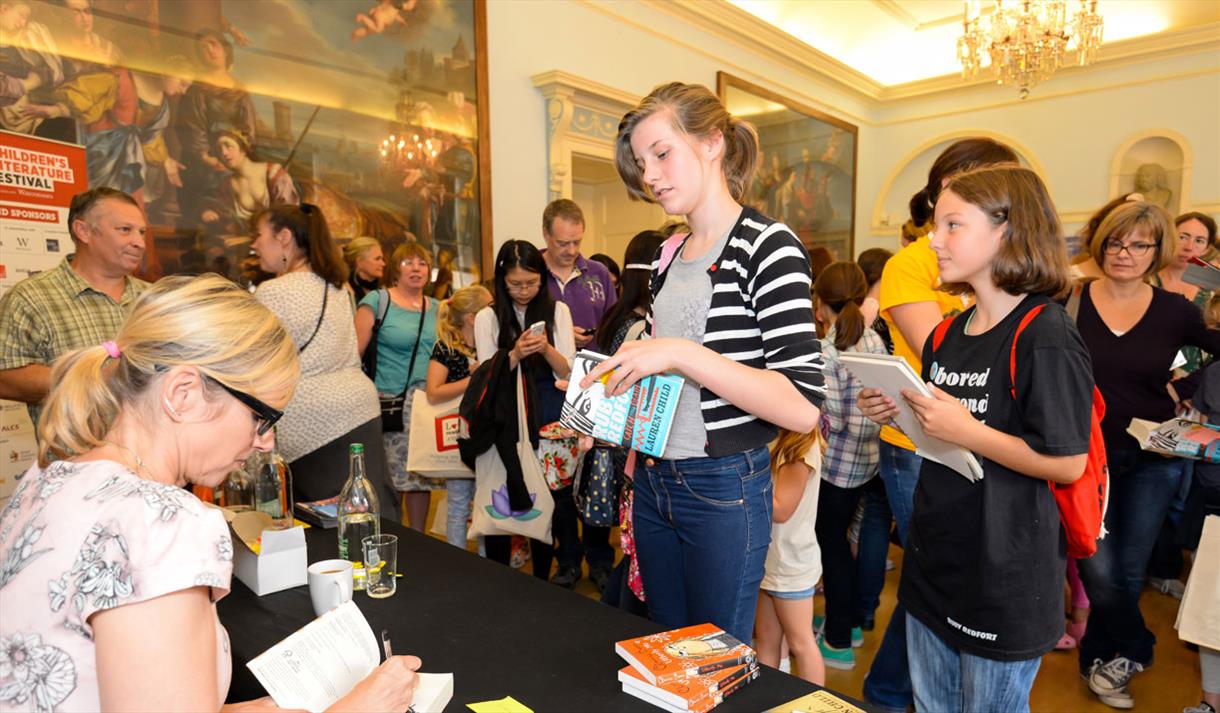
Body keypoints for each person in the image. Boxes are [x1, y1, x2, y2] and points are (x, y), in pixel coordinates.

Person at [0, 274, 421, 712]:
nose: (266, 442)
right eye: (262, 418)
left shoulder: (51, 474)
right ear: (183, 394)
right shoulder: (162, 521)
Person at [583, 82, 824, 645]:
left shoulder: (769, 246)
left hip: (722, 485)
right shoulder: (670, 253)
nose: (651, 175)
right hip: (654, 475)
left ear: (712, 142)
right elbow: (673, 379)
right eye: (643, 163)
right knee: (668, 651)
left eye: (662, 153)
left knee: (714, 660)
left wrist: (680, 352)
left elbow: (802, 405)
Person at [858, 165, 1094, 712]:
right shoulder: (947, 332)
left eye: (952, 226)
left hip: (1004, 573)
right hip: (936, 561)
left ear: (1006, 232)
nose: (933, 242)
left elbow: (1067, 462)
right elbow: (945, 439)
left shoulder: (1046, 334)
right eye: (934, 227)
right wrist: (899, 410)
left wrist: (970, 429)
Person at [865, 137, 1017, 713]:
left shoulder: (995, 269)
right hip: (919, 441)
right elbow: (948, 360)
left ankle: (892, 692)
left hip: (973, 437)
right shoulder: (914, 264)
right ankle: (887, 694)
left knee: (942, 581)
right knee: (932, 580)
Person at [1071, 201, 1220, 709]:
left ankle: (1099, 661)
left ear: (1156, 251)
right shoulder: (1069, 301)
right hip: (1086, 458)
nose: (1124, 253)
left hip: (1153, 456)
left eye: (1138, 244)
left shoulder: (1175, 310)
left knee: (1129, 572)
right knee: (1096, 563)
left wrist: (1191, 390)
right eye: (1115, 241)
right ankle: (1138, 646)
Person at [250, 203, 395, 516]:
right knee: (370, 509)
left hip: (313, 423)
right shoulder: (339, 288)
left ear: (284, 237)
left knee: (329, 524)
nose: (255, 244)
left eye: (259, 235)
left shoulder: (273, 291)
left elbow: (260, 367)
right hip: (359, 407)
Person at [0, 187, 149, 426]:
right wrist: (92, 378)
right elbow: (5, 377)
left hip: (158, 459)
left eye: (141, 232)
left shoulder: (154, 298)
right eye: (125, 230)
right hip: (77, 460)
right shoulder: (31, 297)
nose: (139, 243)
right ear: (84, 231)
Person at [475, 239, 575, 577]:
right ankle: (499, 576)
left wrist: (545, 349)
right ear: (501, 281)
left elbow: (569, 372)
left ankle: (545, 577)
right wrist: (515, 354)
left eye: (531, 283)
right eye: (515, 284)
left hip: (547, 413)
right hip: (503, 417)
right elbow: (486, 376)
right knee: (502, 490)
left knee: (549, 497)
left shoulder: (558, 311)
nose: (524, 291)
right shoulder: (487, 317)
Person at [809, 262, 887, 671]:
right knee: (847, 543)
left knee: (831, 546)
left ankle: (837, 640)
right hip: (870, 463)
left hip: (836, 467)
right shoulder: (873, 339)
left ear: (820, 304)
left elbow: (833, 421)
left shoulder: (826, 351)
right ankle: (852, 622)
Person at [539, 199, 618, 589]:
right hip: (550, 387)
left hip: (594, 387)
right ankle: (566, 558)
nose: (571, 250)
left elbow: (615, 327)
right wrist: (561, 332)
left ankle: (601, 558)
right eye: (563, 242)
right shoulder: (532, 272)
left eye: (576, 242)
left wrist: (595, 337)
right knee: (559, 478)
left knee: (597, 473)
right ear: (546, 237)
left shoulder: (598, 274)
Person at [593, 229, 665, 615]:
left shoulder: (618, 317)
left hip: (624, 444)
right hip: (633, 445)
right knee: (637, 546)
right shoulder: (640, 328)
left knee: (632, 545)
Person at [356, 242, 440, 532]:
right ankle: (390, 536)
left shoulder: (437, 309)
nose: (416, 268)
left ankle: (418, 539)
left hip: (428, 401)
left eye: (422, 263)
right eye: (408, 263)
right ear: (395, 269)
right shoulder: (378, 301)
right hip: (388, 400)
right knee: (391, 477)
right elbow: (354, 353)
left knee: (420, 476)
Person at [425, 284, 493, 548]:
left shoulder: (490, 343)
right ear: (473, 317)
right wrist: (473, 378)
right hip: (456, 438)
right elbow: (433, 392)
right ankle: (459, 562)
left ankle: (489, 566)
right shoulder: (446, 348)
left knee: (487, 506)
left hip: (486, 436)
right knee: (458, 505)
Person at [755, 429, 825, 685]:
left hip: (790, 563)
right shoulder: (774, 435)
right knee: (766, 639)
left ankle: (815, 705)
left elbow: (782, 509)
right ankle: (769, 698)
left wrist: (737, 484)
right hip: (768, 558)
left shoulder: (801, 446)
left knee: (801, 643)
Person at [344, 236, 386, 304]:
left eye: (382, 259)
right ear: (359, 262)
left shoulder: (384, 292)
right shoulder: (346, 292)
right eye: (377, 259)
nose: (383, 264)